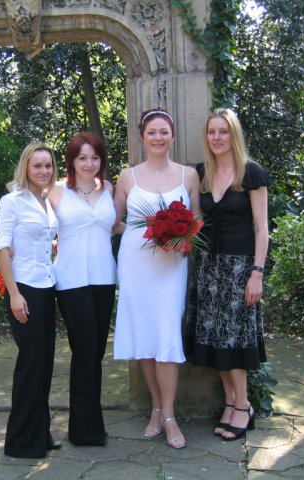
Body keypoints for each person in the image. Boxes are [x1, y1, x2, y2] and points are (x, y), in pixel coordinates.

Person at [112, 109, 200, 449]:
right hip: (136, 265)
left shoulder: (189, 175)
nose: (158, 137)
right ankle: (157, 408)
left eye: (164, 131)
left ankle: (170, 416)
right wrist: (147, 232)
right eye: (152, 132)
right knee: (145, 338)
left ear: (172, 135)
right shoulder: (127, 176)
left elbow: (197, 220)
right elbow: (114, 221)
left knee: (166, 335)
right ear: (142, 137)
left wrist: (179, 237)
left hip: (171, 266)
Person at [185, 108, 272, 441]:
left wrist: (257, 274)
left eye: (223, 131)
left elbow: (262, 229)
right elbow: (195, 220)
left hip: (240, 269)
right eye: (212, 132)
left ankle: (243, 404)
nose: (217, 137)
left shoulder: (251, 173)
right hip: (208, 268)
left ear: (233, 135)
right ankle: (232, 404)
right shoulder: (201, 173)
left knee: (235, 339)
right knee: (216, 339)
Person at [48, 132, 117, 447]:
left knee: (96, 352)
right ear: (72, 161)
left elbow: (114, 226)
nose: (89, 163)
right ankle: (83, 431)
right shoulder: (56, 190)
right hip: (70, 280)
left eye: (95, 157)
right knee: (85, 349)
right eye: (82, 158)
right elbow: (30, 216)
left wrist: (156, 230)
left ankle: (89, 424)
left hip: (104, 278)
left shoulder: (109, 189)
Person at [0, 142, 61, 458]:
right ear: (26, 167)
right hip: (25, 290)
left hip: (47, 287)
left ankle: (40, 434)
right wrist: (15, 295)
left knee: (44, 364)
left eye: (48, 165)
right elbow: (1, 248)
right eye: (37, 166)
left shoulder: (46, 200)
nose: (43, 171)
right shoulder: (12, 202)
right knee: (30, 365)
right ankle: (20, 441)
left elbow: (44, 238)